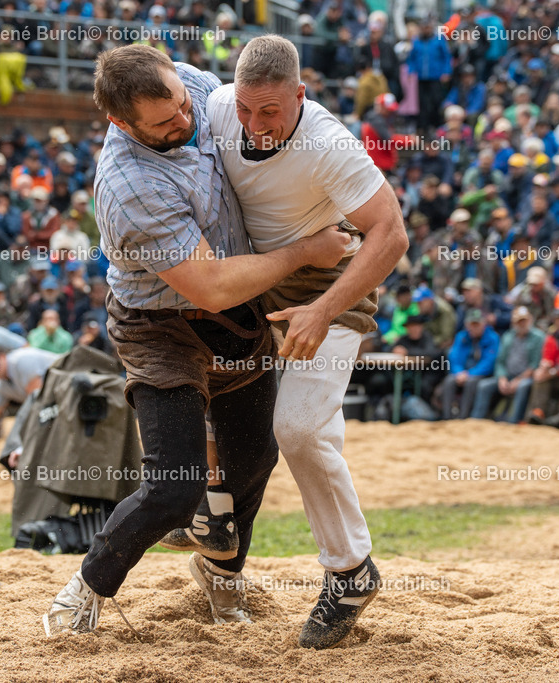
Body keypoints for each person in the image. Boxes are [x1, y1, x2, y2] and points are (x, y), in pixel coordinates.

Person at [43, 45, 351, 640]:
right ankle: (87, 586)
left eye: (184, 105)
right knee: (175, 486)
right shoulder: (130, 186)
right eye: (164, 122)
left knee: (254, 458)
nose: (184, 120)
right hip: (162, 326)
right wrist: (306, 251)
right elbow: (209, 286)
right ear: (121, 123)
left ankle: (221, 575)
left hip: (239, 310)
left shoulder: (188, 82)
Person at [201, 35, 408, 649]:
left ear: (301, 94)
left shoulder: (329, 144)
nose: (254, 125)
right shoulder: (217, 105)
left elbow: (391, 233)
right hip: (252, 287)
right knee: (213, 397)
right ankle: (212, 533)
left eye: (270, 111)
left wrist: (322, 309)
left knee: (296, 428)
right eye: (245, 109)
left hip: (327, 293)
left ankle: (350, 572)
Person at [470, 306, 545, 422]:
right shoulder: (508, 336)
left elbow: (534, 364)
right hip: (508, 376)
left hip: (526, 378)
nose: (522, 324)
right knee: (484, 385)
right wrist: (502, 378)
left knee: (522, 386)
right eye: (519, 321)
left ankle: (513, 421)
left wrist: (518, 380)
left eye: (524, 320)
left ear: (530, 320)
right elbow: (500, 361)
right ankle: (476, 419)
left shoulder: (538, 337)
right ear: (514, 323)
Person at [439, 309, 500, 419]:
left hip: (481, 374)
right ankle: (447, 417)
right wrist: (459, 372)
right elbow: (454, 357)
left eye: (477, 324)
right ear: (466, 325)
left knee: (471, 383)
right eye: (471, 324)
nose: (473, 327)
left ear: (484, 324)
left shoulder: (492, 338)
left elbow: (489, 362)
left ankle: (464, 417)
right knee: (449, 381)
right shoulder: (461, 336)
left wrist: (470, 374)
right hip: (461, 373)